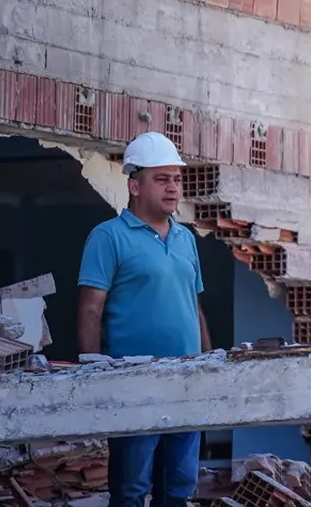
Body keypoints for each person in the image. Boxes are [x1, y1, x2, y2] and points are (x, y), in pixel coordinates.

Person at [77, 131, 211, 507]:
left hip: (187, 382)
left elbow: (194, 306)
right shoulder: (108, 238)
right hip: (133, 385)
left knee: (179, 488)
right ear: (135, 185)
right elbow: (90, 309)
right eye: (162, 179)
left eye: (177, 179)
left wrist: (211, 366)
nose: (173, 188)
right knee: (132, 490)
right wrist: (90, 373)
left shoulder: (186, 239)